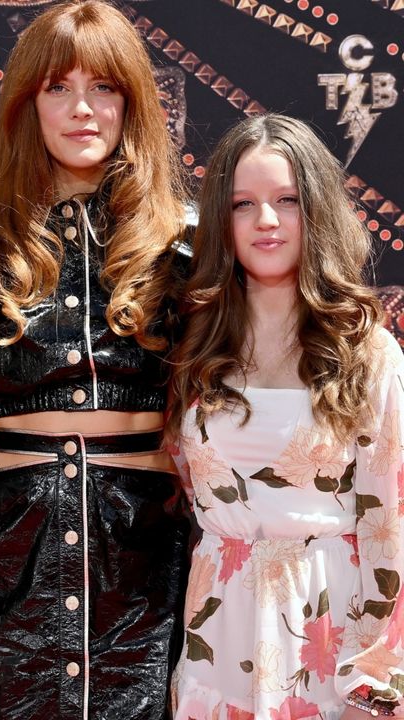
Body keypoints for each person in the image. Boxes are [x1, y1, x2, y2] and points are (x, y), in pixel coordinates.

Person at [0, 1, 192, 717]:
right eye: (57, 87)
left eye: (104, 87)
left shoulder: (190, 250)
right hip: (9, 551)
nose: (82, 109)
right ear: (25, 103)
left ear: (134, 102)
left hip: (151, 556)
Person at [167, 114, 404, 719]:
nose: (266, 221)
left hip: (330, 627)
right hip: (217, 624)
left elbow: (391, 520)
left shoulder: (367, 351)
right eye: (244, 203)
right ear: (221, 219)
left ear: (318, 209)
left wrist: (379, 675)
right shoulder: (193, 343)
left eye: (287, 200)